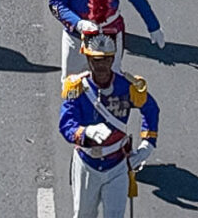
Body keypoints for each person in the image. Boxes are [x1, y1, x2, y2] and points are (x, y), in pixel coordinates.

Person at [57, 31, 159, 218]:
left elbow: (151, 110)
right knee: (83, 215)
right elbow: (66, 123)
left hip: (117, 164)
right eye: (96, 60)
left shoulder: (127, 86)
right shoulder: (77, 87)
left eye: (105, 60)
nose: (101, 65)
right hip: (87, 163)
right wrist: (85, 133)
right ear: (88, 60)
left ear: (113, 60)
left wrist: (147, 145)